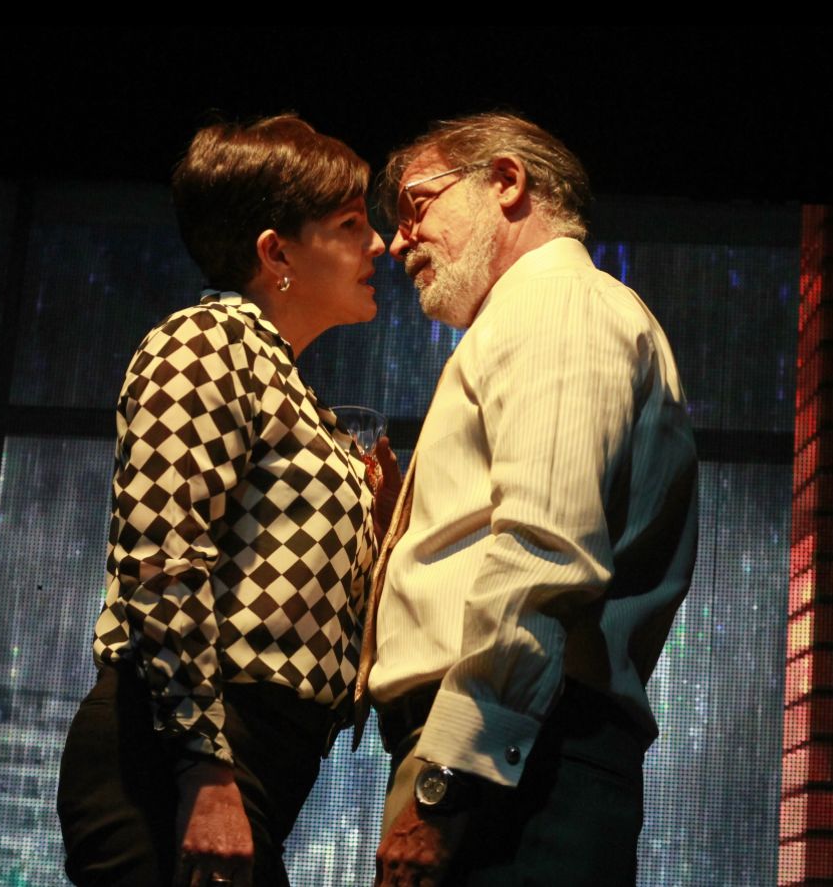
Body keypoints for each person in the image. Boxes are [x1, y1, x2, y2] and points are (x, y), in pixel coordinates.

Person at [57, 114, 398, 887]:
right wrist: (205, 772)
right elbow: (162, 561)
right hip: (173, 758)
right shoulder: (207, 340)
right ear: (276, 253)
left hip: (243, 762)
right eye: (350, 225)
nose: (378, 244)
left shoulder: (284, 380)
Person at [361, 113, 699, 886]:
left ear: (506, 182)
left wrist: (446, 783)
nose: (398, 241)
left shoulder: (553, 304)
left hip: (516, 768)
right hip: (511, 752)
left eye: (416, 205)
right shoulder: (539, 313)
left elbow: (545, 551)